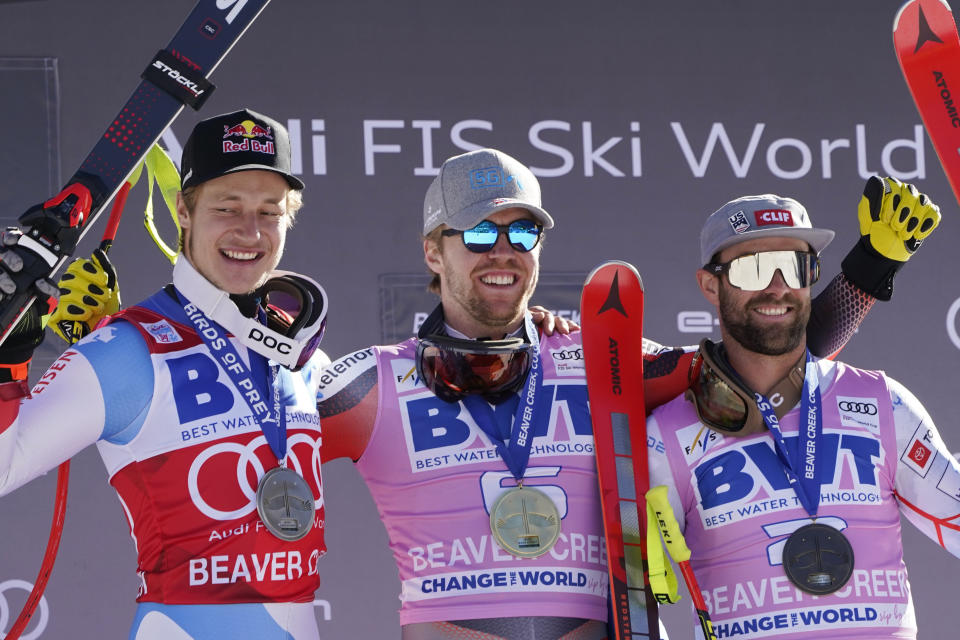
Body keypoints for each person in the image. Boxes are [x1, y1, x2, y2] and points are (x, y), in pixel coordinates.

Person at [52, 149, 935, 639]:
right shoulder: (377, 379)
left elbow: (758, 375)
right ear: (434, 251)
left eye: (521, 231)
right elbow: (238, 414)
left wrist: (866, 274)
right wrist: (106, 334)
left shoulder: (602, 358)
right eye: (477, 231)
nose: (501, 248)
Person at [0, 108, 332, 639]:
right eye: (226, 207)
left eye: (269, 212)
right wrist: (7, 356)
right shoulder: (125, 350)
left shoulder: (300, 355)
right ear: (183, 209)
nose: (250, 231)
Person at [646, 187, 955, 639]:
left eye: (795, 266)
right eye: (753, 268)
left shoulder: (881, 403)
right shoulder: (669, 433)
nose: (777, 286)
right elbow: (631, 596)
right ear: (710, 285)